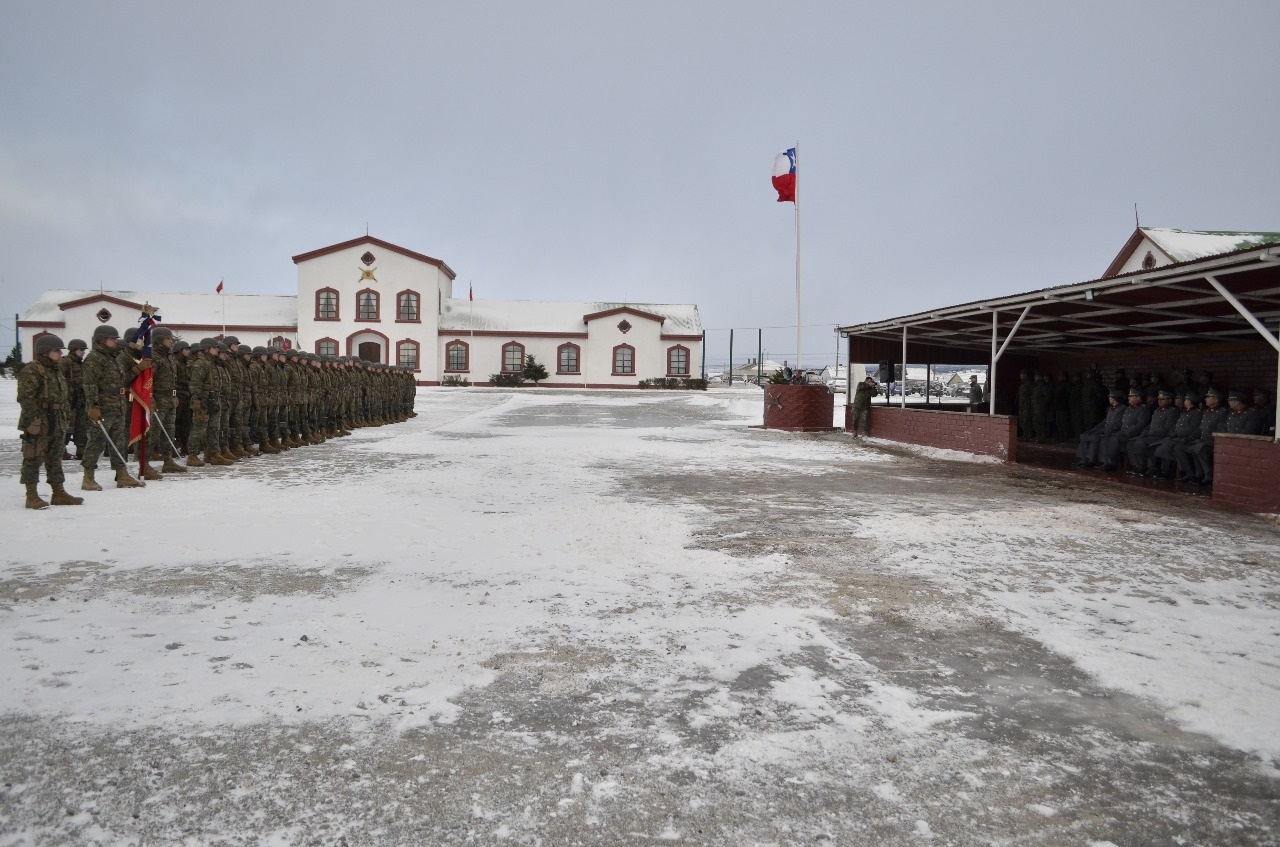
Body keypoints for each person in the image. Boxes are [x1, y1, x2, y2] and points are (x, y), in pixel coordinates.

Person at [18, 335, 84, 509]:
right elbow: (26, 398)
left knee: (55, 458)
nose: (60, 354)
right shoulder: (32, 370)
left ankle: (58, 492)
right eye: (56, 351)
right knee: (34, 457)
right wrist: (34, 420)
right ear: (45, 352)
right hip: (40, 420)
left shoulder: (56, 370)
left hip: (58, 419)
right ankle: (31, 495)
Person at [80, 325, 144, 491]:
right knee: (96, 442)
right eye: (112, 339)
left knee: (119, 442)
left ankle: (122, 474)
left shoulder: (114, 358)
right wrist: (93, 405)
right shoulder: (94, 358)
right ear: (101, 340)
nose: (115, 341)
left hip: (118, 406)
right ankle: (88, 477)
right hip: (103, 407)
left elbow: (124, 381)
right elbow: (89, 383)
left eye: (115, 339)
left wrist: (137, 370)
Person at [1174, 387, 1229, 486]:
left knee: (1199, 448)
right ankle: (1190, 473)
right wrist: (1190, 437)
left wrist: (1206, 440)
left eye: (1209, 397)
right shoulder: (1206, 412)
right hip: (1201, 441)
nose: (1205, 399)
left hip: (1212, 442)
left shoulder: (1222, 412)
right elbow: (1200, 429)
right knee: (1179, 447)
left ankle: (1207, 476)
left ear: (1216, 400)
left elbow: (1220, 430)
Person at [1127, 389, 1180, 477]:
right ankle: (1139, 466)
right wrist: (1145, 431)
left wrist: (1150, 432)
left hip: (1160, 436)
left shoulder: (1172, 412)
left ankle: (1149, 467)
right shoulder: (1157, 410)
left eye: (1163, 399)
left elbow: (1167, 428)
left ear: (1170, 400)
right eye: (1159, 399)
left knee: (1142, 442)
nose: (1160, 401)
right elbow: (1151, 424)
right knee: (1133, 441)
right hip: (1151, 435)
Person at [1097, 386, 1152, 472]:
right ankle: (1107, 462)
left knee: (1115, 438)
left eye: (1131, 396)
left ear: (1138, 397)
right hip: (1123, 432)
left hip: (1133, 433)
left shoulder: (1143, 409)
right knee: (1105, 438)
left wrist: (1126, 432)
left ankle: (1112, 463)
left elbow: (1140, 425)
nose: (1128, 398)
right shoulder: (1129, 408)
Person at [1152, 392, 1202, 479]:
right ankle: (1163, 470)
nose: (1184, 401)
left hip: (1186, 438)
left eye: (1186, 400)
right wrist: (1172, 432)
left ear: (1190, 402)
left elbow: (1192, 428)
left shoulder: (1196, 413)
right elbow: (1176, 425)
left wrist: (1177, 433)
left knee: (1167, 446)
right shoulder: (1184, 412)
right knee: (1164, 444)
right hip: (1177, 436)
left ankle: (1168, 471)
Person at [1075, 389, 1125, 468]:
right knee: (1086, 435)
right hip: (1105, 430)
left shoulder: (1122, 409)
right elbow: (1104, 422)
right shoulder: (1110, 408)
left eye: (1110, 397)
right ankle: (1084, 459)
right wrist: (1093, 430)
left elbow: (1118, 425)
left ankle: (1091, 460)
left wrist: (1102, 431)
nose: (1109, 399)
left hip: (1112, 432)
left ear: (1115, 398)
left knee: (1095, 437)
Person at [59, 338, 88, 460]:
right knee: (66, 426)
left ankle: (81, 449)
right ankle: (61, 451)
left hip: (81, 400)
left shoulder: (81, 364)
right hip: (69, 400)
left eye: (83, 350)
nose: (83, 352)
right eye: (81, 350)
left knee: (82, 426)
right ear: (73, 349)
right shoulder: (65, 362)